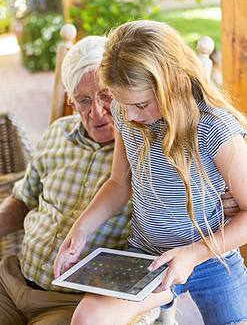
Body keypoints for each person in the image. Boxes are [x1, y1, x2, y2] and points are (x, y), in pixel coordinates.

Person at [54, 20, 247, 325]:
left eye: (140, 104)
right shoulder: (125, 113)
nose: (128, 116)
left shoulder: (215, 128)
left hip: (211, 257)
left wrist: (193, 255)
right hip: (147, 257)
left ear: (177, 83)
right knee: (88, 319)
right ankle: (165, 305)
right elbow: (119, 183)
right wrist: (80, 230)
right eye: (122, 104)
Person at [0, 36, 135, 325]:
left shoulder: (141, 154)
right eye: (84, 100)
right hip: (12, 281)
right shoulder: (57, 133)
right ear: (70, 102)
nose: (97, 112)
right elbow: (23, 199)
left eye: (105, 96)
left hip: (72, 304)